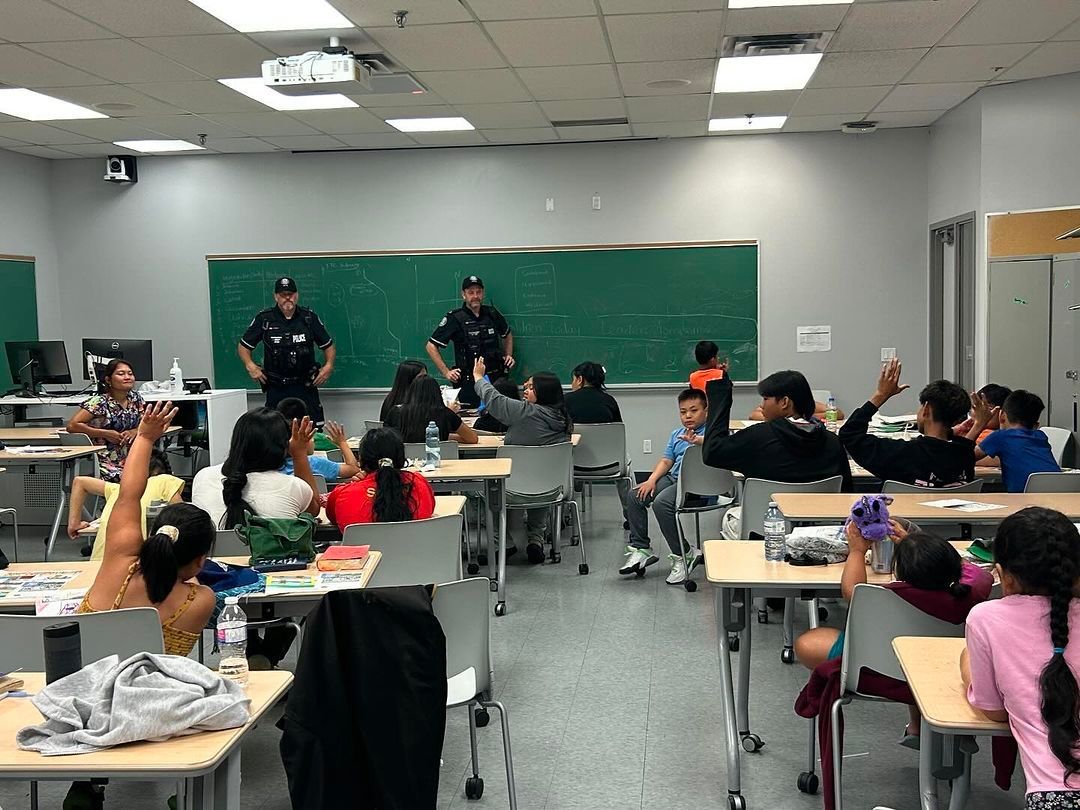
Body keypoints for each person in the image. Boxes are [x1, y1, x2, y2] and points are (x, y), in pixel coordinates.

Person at [68, 401, 215, 810]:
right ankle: (185, 794)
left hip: (78, 698)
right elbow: (173, 669)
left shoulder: (118, 561)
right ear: (201, 559)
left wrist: (146, 437)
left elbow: (129, 493)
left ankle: (89, 782)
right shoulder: (198, 599)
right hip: (145, 709)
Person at [796, 520, 993, 740]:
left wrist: (857, 551)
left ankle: (918, 727)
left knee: (808, 643)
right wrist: (912, 544)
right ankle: (916, 728)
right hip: (943, 671)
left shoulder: (889, 596)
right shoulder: (973, 591)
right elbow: (974, 571)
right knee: (916, 646)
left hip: (881, 673)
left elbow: (852, 591)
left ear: (900, 572)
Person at [963, 507, 1080, 807]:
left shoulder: (986, 619)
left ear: (1005, 577)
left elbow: (993, 711)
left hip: (1056, 795)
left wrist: (967, 667)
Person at [192, 408, 319, 669]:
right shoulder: (292, 486)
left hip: (214, 586)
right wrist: (299, 455)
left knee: (242, 573)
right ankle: (269, 653)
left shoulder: (202, 477)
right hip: (275, 586)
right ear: (281, 447)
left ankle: (249, 650)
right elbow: (314, 509)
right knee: (296, 576)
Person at [702, 371, 853, 539]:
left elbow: (712, 452)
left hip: (764, 532)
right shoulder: (833, 442)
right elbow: (846, 493)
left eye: (766, 399)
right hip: (817, 537)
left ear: (784, 402)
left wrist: (720, 394)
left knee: (731, 519)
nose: (762, 405)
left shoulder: (758, 437)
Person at [473, 357, 572, 564]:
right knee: (539, 479)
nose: (525, 390)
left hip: (513, 488)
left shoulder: (525, 412)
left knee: (481, 487)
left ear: (543, 392)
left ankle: (504, 543)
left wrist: (479, 377)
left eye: (531, 388)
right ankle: (536, 540)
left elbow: (495, 400)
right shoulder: (563, 418)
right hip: (550, 488)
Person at [619, 387, 711, 584]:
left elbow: (718, 446)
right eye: (683, 411)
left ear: (706, 411)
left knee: (662, 504)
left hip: (699, 486)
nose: (688, 416)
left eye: (693, 410)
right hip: (674, 480)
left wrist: (699, 441)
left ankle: (684, 553)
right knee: (636, 495)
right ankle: (642, 548)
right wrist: (651, 480)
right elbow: (666, 461)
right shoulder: (677, 434)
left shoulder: (714, 433)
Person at [838, 359, 975, 487]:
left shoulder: (899, 454)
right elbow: (952, 448)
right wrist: (952, 434)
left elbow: (849, 435)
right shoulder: (965, 456)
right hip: (947, 513)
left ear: (926, 409)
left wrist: (881, 394)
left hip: (903, 512)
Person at [238, 275, 335, 423]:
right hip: (277, 387)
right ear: (276, 296)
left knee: (313, 430)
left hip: (305, 387)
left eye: (291, 294)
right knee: (274, 431)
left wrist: (328, 366)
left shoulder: (308, 318)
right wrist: (250, 365)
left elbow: (328, 346)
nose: (287, 298)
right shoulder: (265, 319)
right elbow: (244, 346)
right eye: (283, 295)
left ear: (297, 295)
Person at [68, 449, 184, 561]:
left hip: (98, 563)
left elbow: (79, 482)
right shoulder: (165, 480)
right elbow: (185, 518)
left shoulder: (119, 489)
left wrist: (74, 523)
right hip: (136, 565)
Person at [426, 275, 514, 407]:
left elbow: (507, 334)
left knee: (500, 415)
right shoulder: (454, 318)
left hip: (496, 379)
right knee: (472, 417)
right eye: (471, 292)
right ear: (463, 295)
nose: (475, 296)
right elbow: (431, 346)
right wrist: (446, 372)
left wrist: (508, 355)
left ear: (483, 293)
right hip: (469, 382)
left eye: (478, 292)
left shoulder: (492, 313)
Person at [326, 428, 436, 531]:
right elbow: (429, 510)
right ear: (401, 458)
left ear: (362, 459)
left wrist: (356, 486)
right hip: (418, 551)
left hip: (367, 551)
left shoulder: (343, 493)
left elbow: (333, 518)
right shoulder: (418, 483)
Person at [966, 389, 1060, 492]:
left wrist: (979, 423)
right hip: (1057, 491)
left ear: (1002, 416)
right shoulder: (1041, 436)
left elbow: (963, 457)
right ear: (1036, 425)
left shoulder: (1000, 436)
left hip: (1023, 496)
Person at [67, 358, 145, 482]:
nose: (127, 377)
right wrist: (104, 433)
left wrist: (134, 431)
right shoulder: (100, 402)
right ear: (108, 380)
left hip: (133, 455)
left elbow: (145, 422)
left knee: (158, 476)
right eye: (121, 374)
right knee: (130, 479)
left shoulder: (135, 398)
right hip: (106, 458)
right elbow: (72, 426)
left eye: (130, 374)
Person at [275, 397, 361, 480]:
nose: (313, 440)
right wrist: (342, 443)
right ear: (304, 436)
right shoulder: (314, 463)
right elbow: (354, 469)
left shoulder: (267, 465)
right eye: (311, 436)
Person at [385, 375, 478, 444]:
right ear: (437, 393)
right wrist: (443, 437)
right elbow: (472, 438)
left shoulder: (396, 411)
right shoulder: (446, 413)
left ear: (411, 392)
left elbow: (386, 439)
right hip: (439, 463)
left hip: (405, 464)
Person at [380, 359, 428, 423]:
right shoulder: (409, 403)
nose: (426, 380)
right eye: (421, 377)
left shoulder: (391, 398)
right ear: (409, 379)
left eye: (426, 376)